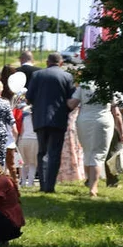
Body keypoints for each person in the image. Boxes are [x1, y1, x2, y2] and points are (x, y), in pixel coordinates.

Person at [25, 53, 75, 193]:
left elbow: (29, 98)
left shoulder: (37, 75)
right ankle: (50, 186)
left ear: (47, 62)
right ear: (61, 63)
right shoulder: (67, 76)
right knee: (54, 152)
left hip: (40, 118)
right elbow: (71, 100)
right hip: (58, 119)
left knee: (42, 152)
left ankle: (42, 184)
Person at [69, 82, 119, 197]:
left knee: (88, 152)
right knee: (98, 154)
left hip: (84, 120)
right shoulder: (108, 85)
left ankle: (89, 180)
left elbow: (72, 104)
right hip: (103, 119)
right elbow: (115, 110)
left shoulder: (83, 85)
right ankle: (93, 186)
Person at [17, 92, 39, 187]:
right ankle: (30, 183)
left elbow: (21, 128)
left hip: (23, 139)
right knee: (33, 163)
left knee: (23, 162)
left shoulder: (23, 111)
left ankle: (22, 182)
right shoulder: (39, 112)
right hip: (34, 139)